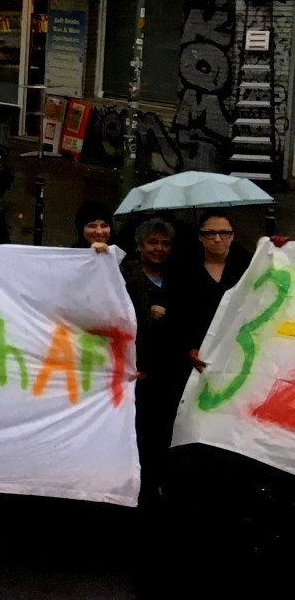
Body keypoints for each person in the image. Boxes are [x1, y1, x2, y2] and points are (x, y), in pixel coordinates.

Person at [123, 218, 182, 509]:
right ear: (139, 245)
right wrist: (146, 312)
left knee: (163, 431)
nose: (159, 249)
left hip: (168, 369)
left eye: (165, 244)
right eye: (152, 242)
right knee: (139, 431)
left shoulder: (179, 275)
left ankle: (157, 486)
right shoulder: (126, 275)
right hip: (138, 369)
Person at [171, 210, 246, 375]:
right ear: (200, 236)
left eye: (224, 233)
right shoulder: (183, 268)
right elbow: (177, 314)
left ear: (233, 236)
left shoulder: (248, 265)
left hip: (239, 349)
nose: (217, 239)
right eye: (210, 234)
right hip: (196, 353)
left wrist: (278, 249)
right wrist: (188, 347)